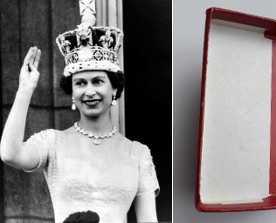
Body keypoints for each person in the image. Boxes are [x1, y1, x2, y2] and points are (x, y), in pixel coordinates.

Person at [0, 1, 159, 222]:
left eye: (97, 81)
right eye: (81, 83)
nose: (89, 91)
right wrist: (25, 90)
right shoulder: (53, 143)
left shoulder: (138, 154)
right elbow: (10, 153)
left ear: (114, 87)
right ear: (72, 92)